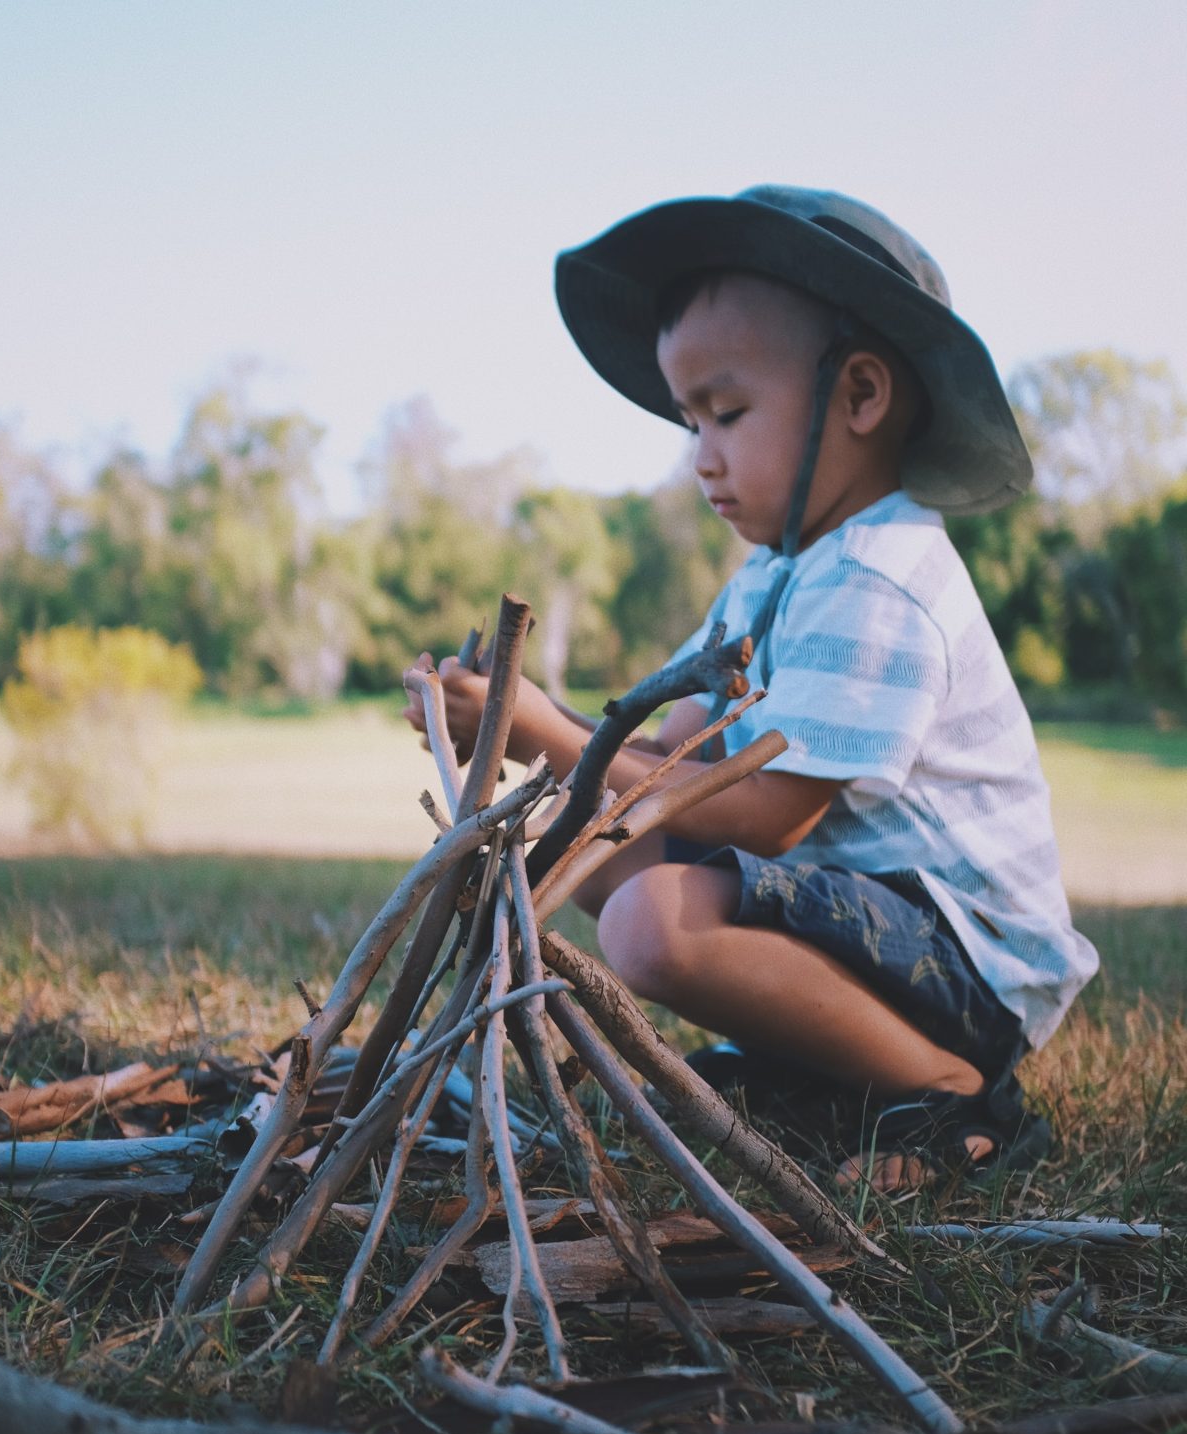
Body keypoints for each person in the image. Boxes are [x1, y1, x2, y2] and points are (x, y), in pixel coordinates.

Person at [403, 185, 1098, 1192]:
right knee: (584, 841)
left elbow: (770, 812)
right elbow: (670, 751)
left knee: (652, 922)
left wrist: (545, 728)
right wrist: (518, 725)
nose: (700, 458)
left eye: (726, 413)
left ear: (859, 399)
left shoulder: (877, 575)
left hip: (966, 960)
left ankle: (950, 1093)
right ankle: (823, 1077)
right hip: (873, 922)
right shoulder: (774, 575)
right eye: (691, 421)